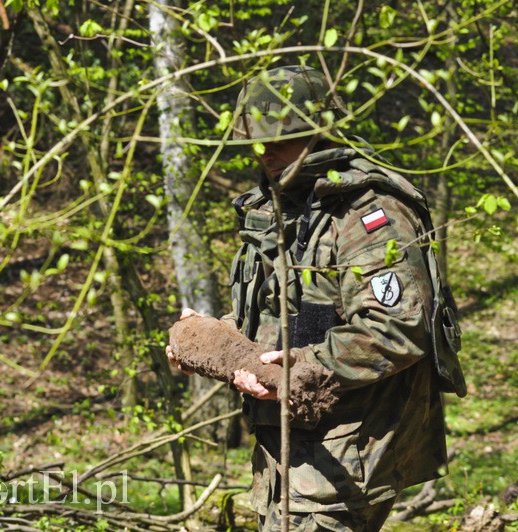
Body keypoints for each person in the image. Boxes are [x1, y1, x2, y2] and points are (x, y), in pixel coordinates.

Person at [167, 65, 466, 531]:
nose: (264, 153)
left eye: (280, 140)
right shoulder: (278, 207)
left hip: (343, 454)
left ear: (318, 132)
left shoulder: (367, 212)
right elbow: (276, 312)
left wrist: (304, 371)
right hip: (290, 452)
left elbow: (398, 326)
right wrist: (213, 340)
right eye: (256, 141)